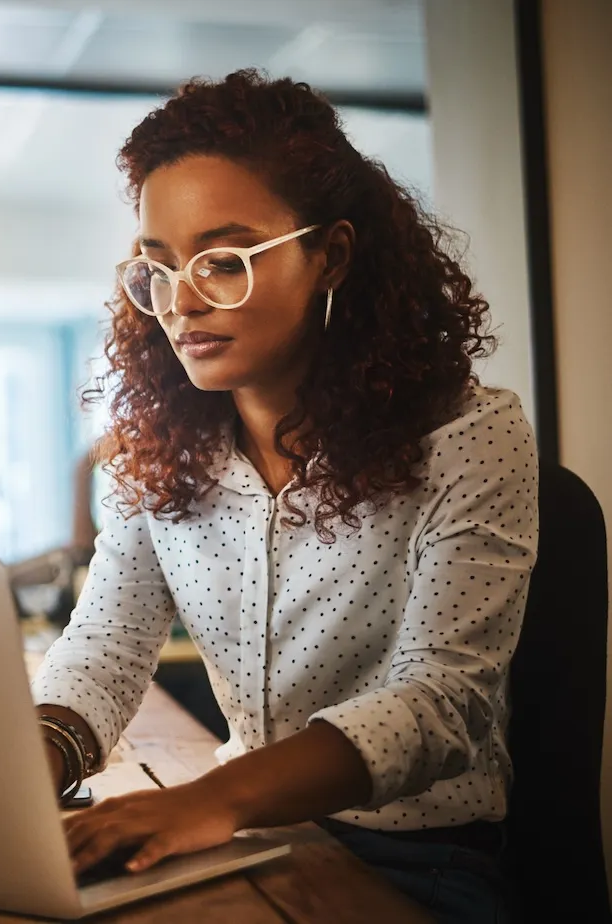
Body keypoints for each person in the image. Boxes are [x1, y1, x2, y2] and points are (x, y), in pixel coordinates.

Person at [32, 70, 535, 924]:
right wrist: (34, 759)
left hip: (421, 861)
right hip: (256, 840)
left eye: (224, 262)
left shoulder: (468, 438)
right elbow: (109, 646)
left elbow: (441, 700)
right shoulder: (154, 456)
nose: (181, 302)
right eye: (158, 269)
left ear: (330, 255)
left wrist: (212, 800)